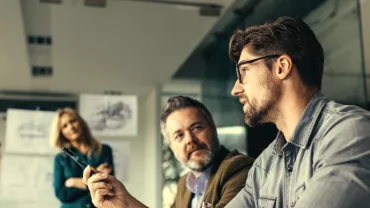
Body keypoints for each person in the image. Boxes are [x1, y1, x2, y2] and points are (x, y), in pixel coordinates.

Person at [223, 16, 370, 207]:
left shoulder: (350, 134)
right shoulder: (264, 166)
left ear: (281, 67)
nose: (236, 89)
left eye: (244, 71)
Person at [82, 96, 254, 208]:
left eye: (196, 128)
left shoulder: (239, 169)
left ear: (213, 129)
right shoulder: (185, 185)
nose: (190, 140)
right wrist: (123, 201)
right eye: (179, 135)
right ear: (172, 146)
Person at [50, 108, 115, 208]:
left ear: (81, 122)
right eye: (65, 126)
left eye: (73, 121)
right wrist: (93, 181)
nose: (71, 127)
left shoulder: (104, 150)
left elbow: (107, 185)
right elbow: (61, 194)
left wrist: (72, 182)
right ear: (61, 132)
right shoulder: (60, 159)